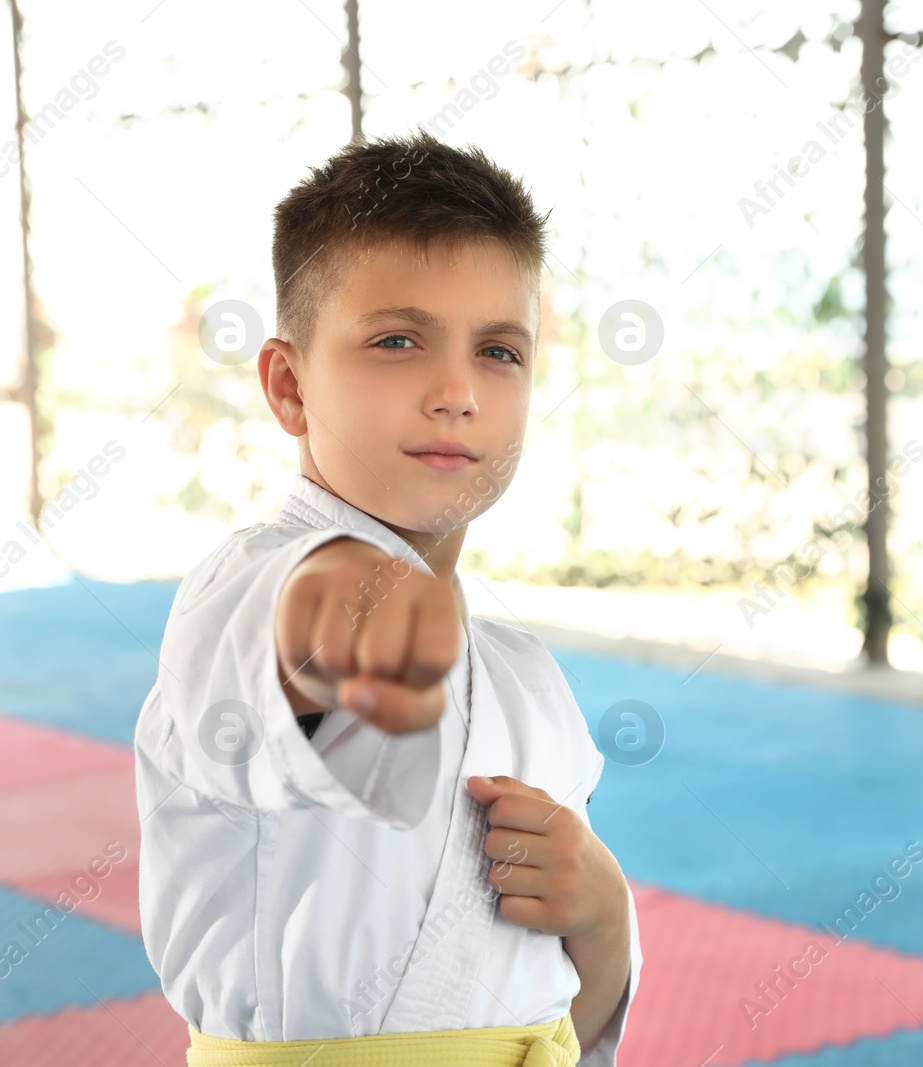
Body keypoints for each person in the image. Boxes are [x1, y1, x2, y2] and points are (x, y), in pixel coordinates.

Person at [133, 130, 641, 1066]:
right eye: (397, 341)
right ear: (289, 385)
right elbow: (288, 655)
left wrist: (605, 915)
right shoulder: (243, 591)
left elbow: (570, 1007)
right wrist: (349, 615)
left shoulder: (527, 682)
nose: (456, 391)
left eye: (499, 351)